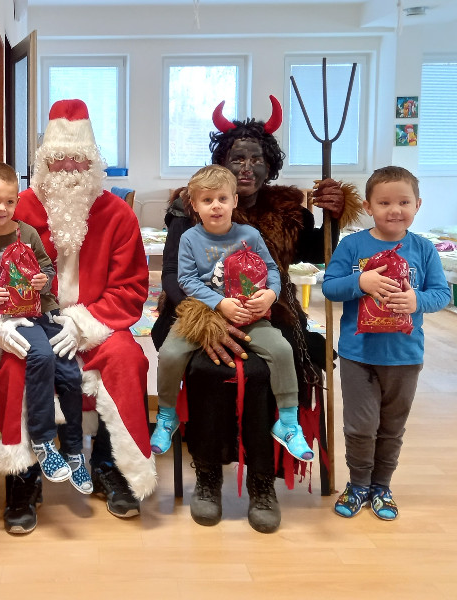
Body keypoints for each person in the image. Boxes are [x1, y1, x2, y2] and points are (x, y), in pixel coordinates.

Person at [152, 96, 361, 533]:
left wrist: (334, 215)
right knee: (207, 371)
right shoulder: (190, 204)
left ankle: (263, 481)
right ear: (221, 163)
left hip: (269, 313)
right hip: (195, 312)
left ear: (271, 165)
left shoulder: (287, 209)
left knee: (266, 372)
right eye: (237, 158)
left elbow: (319, 253)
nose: (247, 168)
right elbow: (173, 275)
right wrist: (209, 320)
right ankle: (208, 476)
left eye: (257, 159)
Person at [0, 99, 154, 534]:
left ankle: (110, 466)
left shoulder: (117, 214)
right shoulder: (19, 209)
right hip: (31, 322)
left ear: (92, 162)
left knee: (128, 359)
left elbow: (131, 288)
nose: (67, 168)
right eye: (58, 158)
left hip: (97, 325)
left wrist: (81, 324)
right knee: (14, 367)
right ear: (44, 163)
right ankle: (23, 478)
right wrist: (4, 318)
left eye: (77, 159)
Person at [151, 165, 314, 464]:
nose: (216, 206)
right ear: (195, 205)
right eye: (207, 200)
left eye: (222, 199)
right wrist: (219, 304)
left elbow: (273, 270)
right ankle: (166, 416)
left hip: (249, 314)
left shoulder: (250, 235)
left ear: (234, 201)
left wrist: (270, 294)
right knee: (171, 354)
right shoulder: (189, 238)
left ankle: (288, 422)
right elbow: (186, 280)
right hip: (203, 315)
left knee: (281, 349)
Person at [322, 166, 449, 520]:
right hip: (358, 355)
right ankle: (358, 484)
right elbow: (330, 287)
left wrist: (417, 301)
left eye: (404, 202)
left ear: (417, 205)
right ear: (368, 206)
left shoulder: (423, 249)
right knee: (360, 426)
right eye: (384, 202)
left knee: (392, 428)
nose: (395, 210)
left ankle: (381, 486)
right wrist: (359, 282)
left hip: (405, 357)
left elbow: (442, 294)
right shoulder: (352, 245)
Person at [0, 162, 92, 493]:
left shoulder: (28, 232)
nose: (2, 208)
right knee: (41, 356)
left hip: (44, 310)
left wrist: (42, 280)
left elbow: (48, 269)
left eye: (9, 201)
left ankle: (74, 450)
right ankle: (42, 439)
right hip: (10, 319)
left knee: (71, 376)